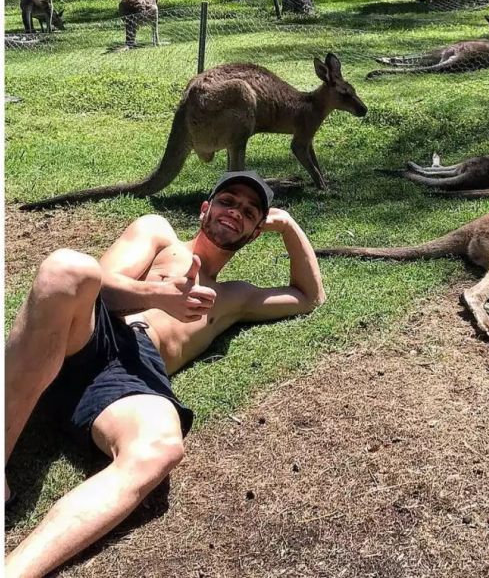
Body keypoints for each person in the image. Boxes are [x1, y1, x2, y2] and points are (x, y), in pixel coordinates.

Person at [5, 171, 326, 578]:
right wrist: (161, 296)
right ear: (204, 209)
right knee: (68, 268)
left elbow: (308, 296)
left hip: (130, 378)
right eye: (228, 201)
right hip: (91, 333)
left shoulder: (234, 297)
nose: (236, 212)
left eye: (249, 212)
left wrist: (288, 225)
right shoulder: (157, 234)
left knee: (160, 447)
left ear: (254, 233)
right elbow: (98, 288)